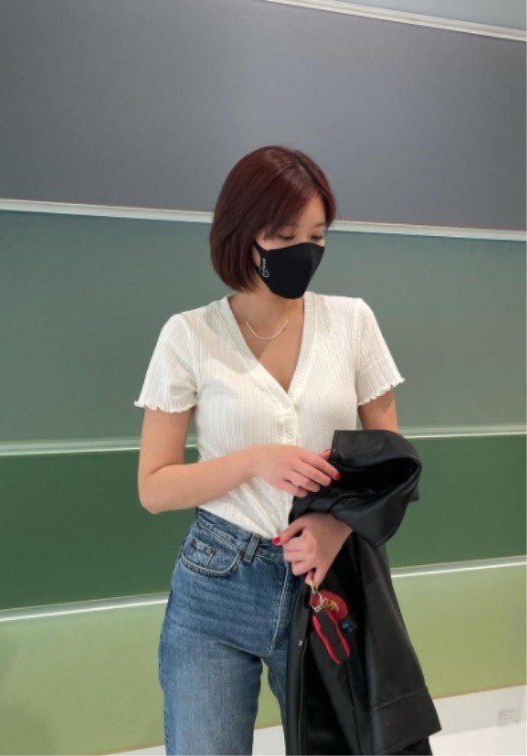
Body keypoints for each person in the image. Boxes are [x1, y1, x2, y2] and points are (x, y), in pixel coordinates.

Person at [134, 145, 404, 755]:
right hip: (217, 581)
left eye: (317, 235)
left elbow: (390, 458)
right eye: (284, 235)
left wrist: (337, 527)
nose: (303, 251)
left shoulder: (353, 323)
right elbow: (154, 486)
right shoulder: (188, 336)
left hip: (326, 578)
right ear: (242, 231)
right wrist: (256, 460)